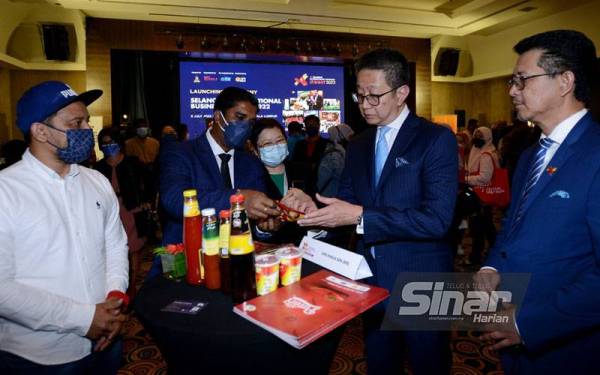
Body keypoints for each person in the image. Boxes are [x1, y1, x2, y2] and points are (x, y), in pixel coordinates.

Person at [283, 48, 457, 375]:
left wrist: (361, 216)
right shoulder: (360, 143)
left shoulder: (435, 139)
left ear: (402, 93)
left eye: (374, 96)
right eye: (360, 95)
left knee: (429, 363)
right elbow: (345, 203)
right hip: (369, 278)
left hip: (422, 278)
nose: (364, 104)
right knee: (380, 363)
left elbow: (437, 219)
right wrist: (315, 210)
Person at [476, 30, 600, 374]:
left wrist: (529, 323)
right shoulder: (531, 154)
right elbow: (514, 226)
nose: (512, 90)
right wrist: (491, 267)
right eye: (511, 81)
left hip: (569, 345)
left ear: (565, 81)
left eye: (522, 79)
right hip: (514, 339)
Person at [0, 81, 129, 373]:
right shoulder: (5, 191)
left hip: (107, 339)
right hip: (38, 357)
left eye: (86, 121)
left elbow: (115, 245)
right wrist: (83, 318)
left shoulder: (96, 181)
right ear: (40, 131)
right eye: (76, 123)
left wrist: (114, 299)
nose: (87, 130)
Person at [159, 86, 280, 246]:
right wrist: (238, 200)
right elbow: (174, 199)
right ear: (217, 116)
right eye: (239, 117)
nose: (245, 127)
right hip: (189, 256)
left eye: (250, 122)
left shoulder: (251, 163)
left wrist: (264, 227)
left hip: (238, 259)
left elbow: (255, 220)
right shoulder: (181, 153)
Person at [95, 126, 150, 299]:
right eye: (104, 144)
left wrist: (147, 202)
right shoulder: (97, 168)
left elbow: (148, 183)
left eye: (111, 142)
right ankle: (115, 285)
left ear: (119, 143)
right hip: (106, 211)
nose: (108, 146)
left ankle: (132, 283)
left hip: (131, 209)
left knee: (133, 247)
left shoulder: (133, 163)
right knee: (111, 248)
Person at [465, 127, 498, 265]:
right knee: (486, 226)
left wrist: (466, 179)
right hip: (478, 194)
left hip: (481, 195)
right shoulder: (477, 150)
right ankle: (495, 252)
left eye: (480, 136)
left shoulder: (486, 154)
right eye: (476, 134)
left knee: (478, 227)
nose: (477, 138)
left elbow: (485, 177)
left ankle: (475, 257)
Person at [290, 114, 329, 195]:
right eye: (309, 125)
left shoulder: (326, 144)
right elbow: (294, 163)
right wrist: (308, 166)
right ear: (305, 126)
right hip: (303, 185)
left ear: (318, 126)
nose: (311, 127)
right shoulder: (299, 144)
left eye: (313, 125)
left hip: (323, 185)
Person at [317, 123, 354, 197]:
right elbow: (344, 177)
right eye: (349, 136)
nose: (351, 140)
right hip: (331, 196)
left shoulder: (332, 151)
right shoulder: (335, 155)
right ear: (341, 137)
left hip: (330, 195)